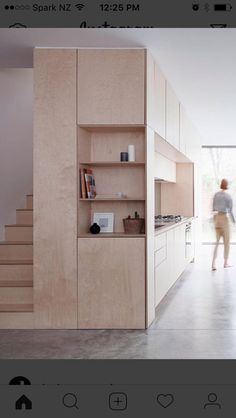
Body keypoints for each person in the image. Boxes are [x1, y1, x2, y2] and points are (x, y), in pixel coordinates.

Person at [212, 178, 235, 271]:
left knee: (216, 242)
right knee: (227, 242)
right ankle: (225, 263)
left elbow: (213, 208)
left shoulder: (216, 195)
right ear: (227, 186)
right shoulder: (228, 196)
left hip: (217, 219)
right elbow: (230, 211)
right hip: (224, 219)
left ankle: (213, 264)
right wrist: (234, 221)